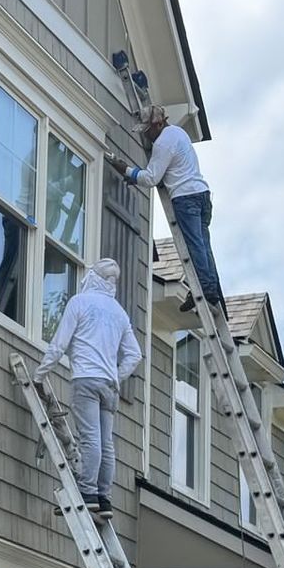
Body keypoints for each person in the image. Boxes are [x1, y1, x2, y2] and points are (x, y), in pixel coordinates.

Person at [33, 257, 141, 517]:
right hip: (109, 386)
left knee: (90, 438)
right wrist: (116, 375)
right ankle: (104, 498)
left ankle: (87, 492)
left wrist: (40, 373)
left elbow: (59, 344)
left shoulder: (79, 303)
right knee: (106, 443)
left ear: (92, 277)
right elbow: (134, 355)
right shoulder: (119, 313)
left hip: (86, 380)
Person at [107, 107, 224, 314]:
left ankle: (205, 289)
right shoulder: (179, 133)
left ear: (159, 124)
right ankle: (211, 290)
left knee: (195, 247)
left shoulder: (162, 143)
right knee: (204, 246)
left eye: (147, 130)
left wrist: (127, 170)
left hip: (185, 198)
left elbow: (151, 178)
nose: (145, 135)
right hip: (202, 193)